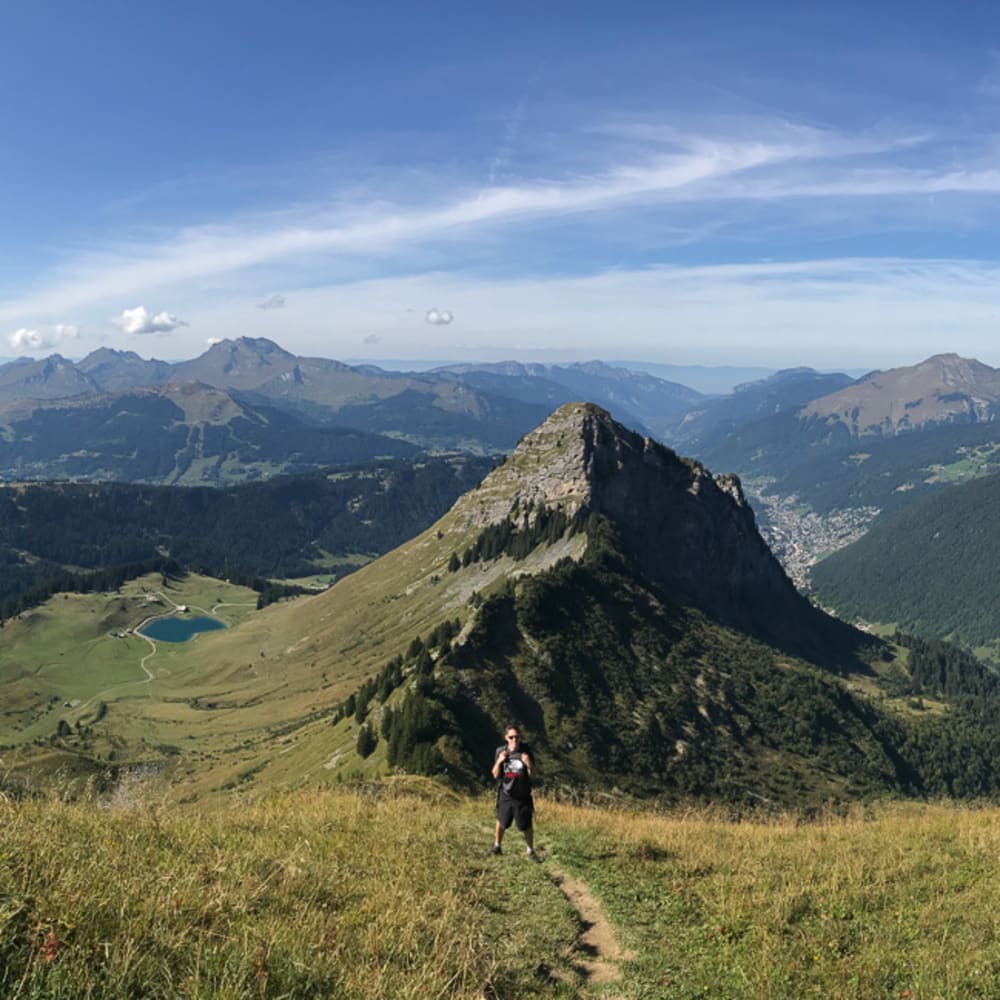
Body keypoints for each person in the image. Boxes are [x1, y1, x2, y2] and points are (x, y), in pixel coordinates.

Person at [490, 725, 538, 860]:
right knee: (501, 819)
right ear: (506, 738)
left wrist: (528, 764)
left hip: (522, 794)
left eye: (517, 737)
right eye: (511, 737)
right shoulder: (501, 751)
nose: (514, 739)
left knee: (526, 824)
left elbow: (533, 775)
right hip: (505, 792)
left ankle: (530, 850)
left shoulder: (526, 752)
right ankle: (497, 846)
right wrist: (499, 761)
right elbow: (495, 774)